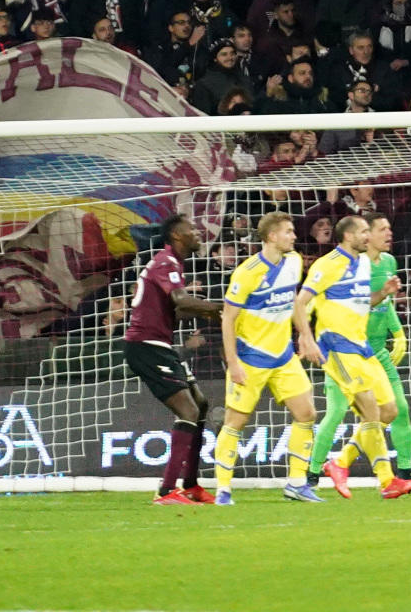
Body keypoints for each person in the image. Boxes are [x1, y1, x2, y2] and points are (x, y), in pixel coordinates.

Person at [290, 214, 411, 499]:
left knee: (390, 411)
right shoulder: (327, 265)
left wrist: (383, 292)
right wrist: (306, 339)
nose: (367, 236)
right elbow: (301, 302)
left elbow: (364, 302)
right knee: (367, 411)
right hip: (336, 348)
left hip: (363, 349)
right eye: (363, 232)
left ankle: (339, 462)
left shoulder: (361, 264)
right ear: (348, 236)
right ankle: (387, 480)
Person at [211, 211, 323, 503]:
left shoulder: (295, 262)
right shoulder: (247, 272)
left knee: (307, 413)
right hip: (251, 358)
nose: (294, 237)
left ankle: (296, 483)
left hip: (283, 356)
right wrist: (233, 362)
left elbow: (294, 304)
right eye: (288, 232)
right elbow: (228, 320)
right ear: (272, 236)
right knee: (236, 421)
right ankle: (223, 488)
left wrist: (305, 336)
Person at [123, 213, 225, 506]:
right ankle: (167, 491)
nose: (197, 232)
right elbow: (181, 301)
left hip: (160, 345)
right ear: (177, 236)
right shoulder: (166, 261)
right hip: (146, 346)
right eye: (192, 228)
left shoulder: (173, 265)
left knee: (201, 405)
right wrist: (219, 307)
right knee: (188, 410)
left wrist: (208, 310)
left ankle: (191, 485)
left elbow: (176, 311)